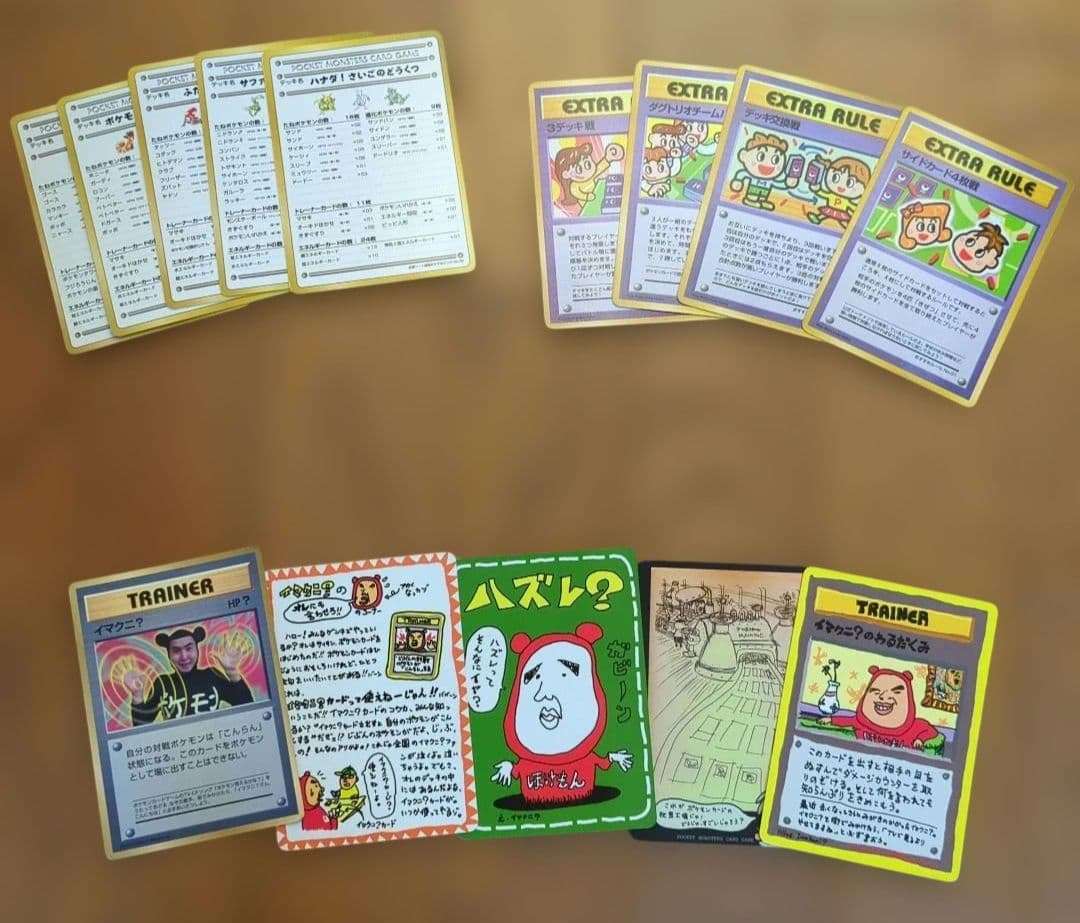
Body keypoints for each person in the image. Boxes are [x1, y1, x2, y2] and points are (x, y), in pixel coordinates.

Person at [122, 626, 253, 725]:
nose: (184, 656)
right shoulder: (162, 683)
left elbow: (247, 706)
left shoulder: (211, 675)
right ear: (169, 655)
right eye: (176, 651)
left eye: (189, 648)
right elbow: (141, 724)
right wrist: (137, 695)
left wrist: (231, 671)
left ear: (197, 649)